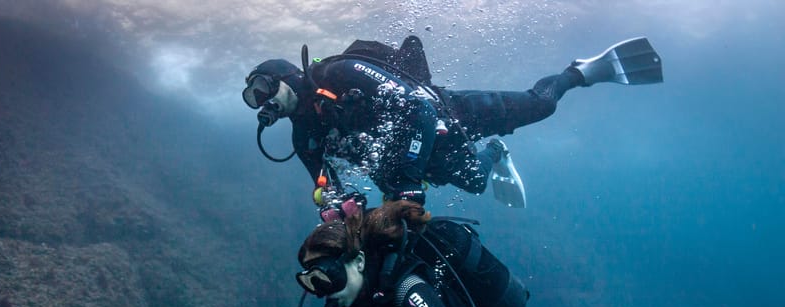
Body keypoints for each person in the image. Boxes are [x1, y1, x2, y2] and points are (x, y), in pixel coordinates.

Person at [243, 36, 662, 208]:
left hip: (451, 114)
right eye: (252, 98)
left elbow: (419, 109)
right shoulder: (305, 137)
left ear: (285, 77)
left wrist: (408, 179)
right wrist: (337, 211)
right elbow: (326, 190)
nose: (261, 102)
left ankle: (580, 73)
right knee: (475, 181)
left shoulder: (339, 72)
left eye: (262, 88)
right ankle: (495, 154)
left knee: (540, 106)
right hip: (418, 159)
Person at [297, 200, 467, 307]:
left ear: (359, 262)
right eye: (313, 283)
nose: (324, 292)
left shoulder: (407, 290)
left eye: (330, 275)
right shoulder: (359, 301)